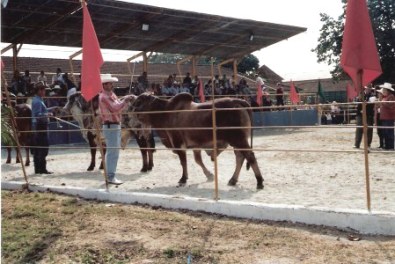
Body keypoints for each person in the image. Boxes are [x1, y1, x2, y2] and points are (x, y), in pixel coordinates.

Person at [99, 73, 135, 185]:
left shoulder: (111, 95)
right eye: (109, 83)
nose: (112, 85)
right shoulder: (104, 97)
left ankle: (109, 175)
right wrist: (125, 100)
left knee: (112, 151)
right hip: (111, 125)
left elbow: (118, 105)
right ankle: (110, 176)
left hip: (114, 125)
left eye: (111, 83)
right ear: (104, 85)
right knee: (113, 152)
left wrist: (125, 100)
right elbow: (115, 108)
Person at [31, 82, 58, 174]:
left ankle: (38, 169)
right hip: (40, 126)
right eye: (42, 90)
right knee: (43, 148)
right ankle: (41, 169)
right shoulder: (38, 101)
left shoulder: (39, 100)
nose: (44, 91)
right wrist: (48, 114)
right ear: (38, 91)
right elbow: (38, 115)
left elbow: (43, 111)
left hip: (39, 126)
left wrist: (52, 109)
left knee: (39, 148)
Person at [377, 82, 395, 150]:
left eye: (384, 90)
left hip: (389, 117)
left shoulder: (391, 96)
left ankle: (390, 146)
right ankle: (387, 145)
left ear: (388, 90)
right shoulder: (384, 97)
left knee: (389, 131)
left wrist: (382, 103)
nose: (383, 91)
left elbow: (391, 106)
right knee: (385, 132)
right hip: (384, 117)